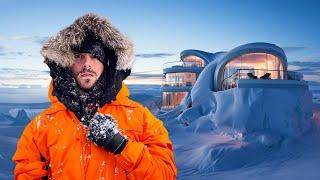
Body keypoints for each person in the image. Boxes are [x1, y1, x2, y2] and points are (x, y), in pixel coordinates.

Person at [12, 13, 177, 179]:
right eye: (79, 57)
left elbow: (165, 174)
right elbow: (26, 174)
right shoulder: (40, 127)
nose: (87, 64)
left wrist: (120, 145)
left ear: (107, 65)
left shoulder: (141, 119)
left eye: (95, 56)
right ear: (65, 64)